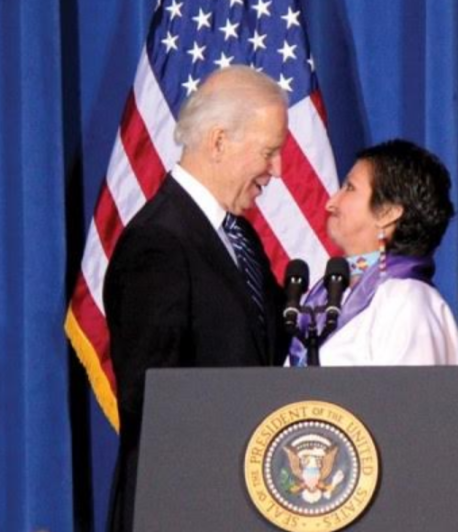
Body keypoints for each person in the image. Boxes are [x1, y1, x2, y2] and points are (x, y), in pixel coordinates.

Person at [103, 66, 290, 532]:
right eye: (269, 152)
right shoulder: (158, 244)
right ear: (219, 141)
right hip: (184, 508)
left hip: (244, 501)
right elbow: (154, 404)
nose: (279, 169)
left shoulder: (239, 236)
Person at [288, 139, 458, 367]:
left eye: (350, 188)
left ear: (387, 213)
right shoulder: (328, 296)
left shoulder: (407, 301)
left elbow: (417, 400)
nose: (331, 203)